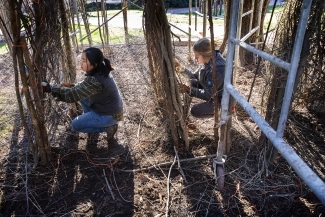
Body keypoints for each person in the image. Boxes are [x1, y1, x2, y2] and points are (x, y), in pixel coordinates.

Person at [42, 47, 123, 142]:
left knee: (76, 124)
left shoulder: (95, 80)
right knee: (83, 96)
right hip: (112, 109)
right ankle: (93, 120)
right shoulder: (102, 70)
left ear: (94, 64)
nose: (81, 63)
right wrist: (73, 85)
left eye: (84, 61)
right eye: (81, 60)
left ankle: (107, 128)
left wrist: (51, 89)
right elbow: (84, 87)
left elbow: (71, 95)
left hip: (109, 115)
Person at [175, 37, 226, 118]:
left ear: (205, 54)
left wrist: (189, 90)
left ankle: (223, 113)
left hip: (222, 100)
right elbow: (194, 77)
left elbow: (208, 95)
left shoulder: (217, 69)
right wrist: (181, 69)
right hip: (213, 92)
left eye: (197, 56)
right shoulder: (208, 60)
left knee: (195, 111)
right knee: (192, 82)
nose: (195, 59)